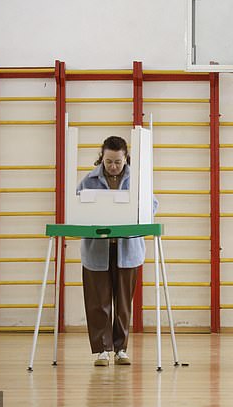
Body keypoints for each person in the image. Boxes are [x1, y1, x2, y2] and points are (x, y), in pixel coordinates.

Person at [77, 136, 157, 367]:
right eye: (108, 161)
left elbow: (152, 205)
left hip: (127, 249)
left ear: (126, 159)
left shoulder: (138, 179)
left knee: (123, 303)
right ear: (102, 157)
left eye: (118, 162)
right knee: (98, 301)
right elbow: (75, 206)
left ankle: (121, 349)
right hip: (97, 250)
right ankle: (102, 350)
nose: (113, 166)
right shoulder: (88, 180)